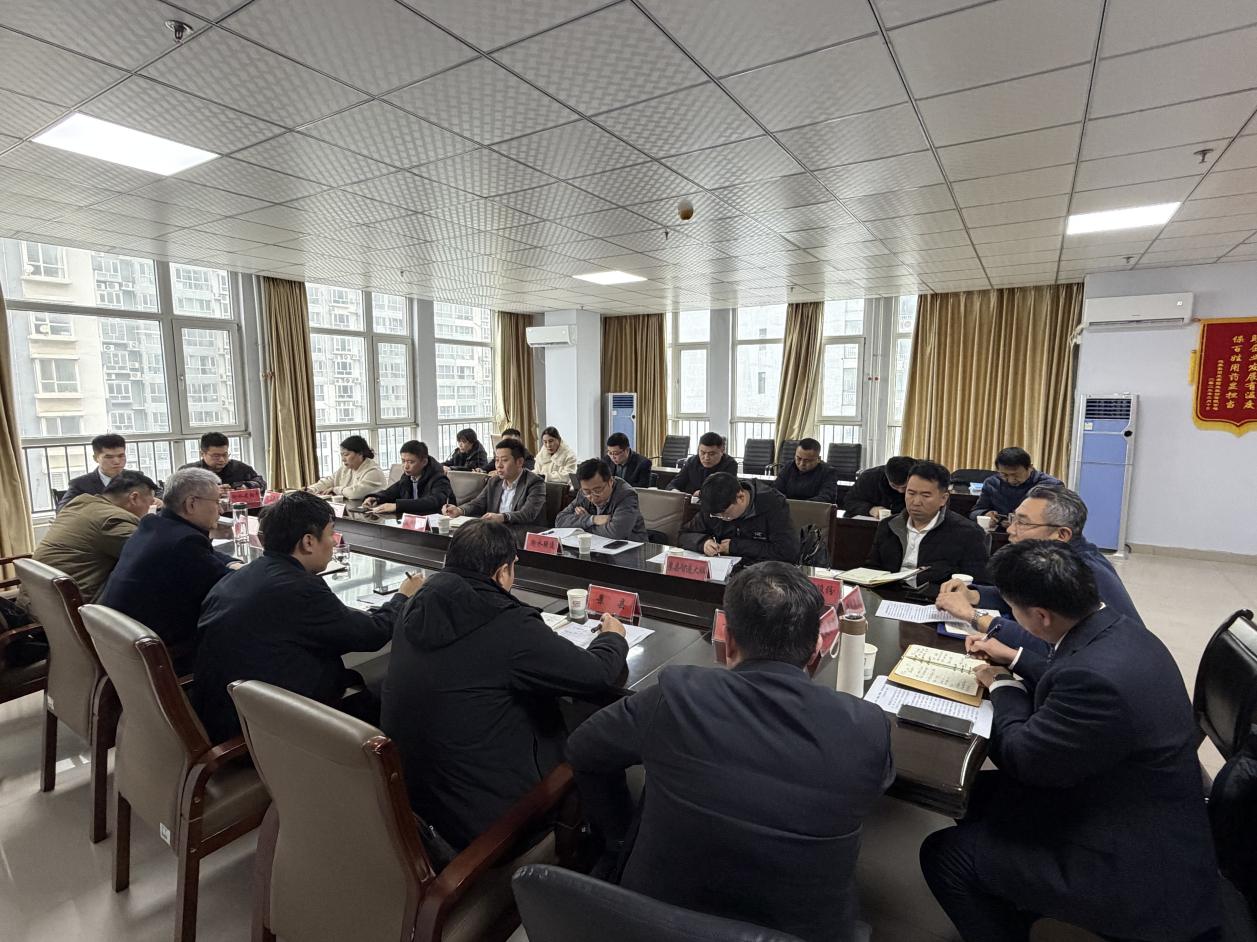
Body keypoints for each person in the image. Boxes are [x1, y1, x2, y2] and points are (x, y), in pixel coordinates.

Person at [567, 562, 894, 942]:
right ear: (817, 649)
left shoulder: (676, 696)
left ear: (729, 641)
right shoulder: (866, 728)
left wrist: (621, 835)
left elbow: (583, 749)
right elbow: (870, 790)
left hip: (656, 923)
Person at [920, 541, 1220, 942]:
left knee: (946, 855)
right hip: (1128, 801)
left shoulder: (1095, 681)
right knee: (981, 794)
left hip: (1133, 865)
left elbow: (1022, 757)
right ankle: (1012, 893)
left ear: (1042, 616)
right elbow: (1063, 669)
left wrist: (1003, 684)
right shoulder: (1118, 629)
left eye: (1013, 610)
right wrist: (1013, 658)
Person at [380, 520, 628, 850]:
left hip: (415, 804)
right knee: (597, 746)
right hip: (488, 828)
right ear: (501, 573)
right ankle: (608, 854)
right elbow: (596, 674)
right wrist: (613, 637)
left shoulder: (414, 604)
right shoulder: (507, 622)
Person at [192, 491, 425, 744]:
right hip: (270, 729)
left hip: (222, 712)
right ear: (308, 542)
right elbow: (371, 635)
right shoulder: (300, 588)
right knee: (399, 693)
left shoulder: (241, 575)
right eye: (330, 534)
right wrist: (403, 597)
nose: (334, 542)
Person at [936, 485, 1143, 684]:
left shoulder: (1079, 573)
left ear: (1062, 535)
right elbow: (1027, 597)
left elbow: (1050, 643)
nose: (1011, 530)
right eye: (1013, 519)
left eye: (1023, 523)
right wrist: (974, 595)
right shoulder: (1059, 561)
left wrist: (975, 616)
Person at [98, 467, 241, 653]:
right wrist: (246, 570)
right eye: (216, 502)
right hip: (158, 650)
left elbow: (207, 553)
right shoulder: (185, 542)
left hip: (118, 638)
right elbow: (230, 586)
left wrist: (231, 562)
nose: (220, 509)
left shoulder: (154, 525)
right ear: (191, 503)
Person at [33, 470, 158, 603]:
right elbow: (153, 556)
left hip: (38, 597)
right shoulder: (113, 520)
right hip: (71, 605)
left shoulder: (80, 502)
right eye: (150, 504)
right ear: (134, 498)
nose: (149, 510)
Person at [864, 460, 987, 591]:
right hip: (888, 595)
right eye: (911, 493)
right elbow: (872, 569)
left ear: (943, 499)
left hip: (934, 599)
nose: (916, 502)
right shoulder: (888, 525)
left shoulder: (968, 532)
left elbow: (976, 584)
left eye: (925, 495)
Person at [680, 472, 800, 564]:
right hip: (721, 568)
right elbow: (684, 535)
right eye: (717, 515)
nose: (722, 518)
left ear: (741, 497)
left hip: (760, 572)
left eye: (725, 514)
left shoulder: (773, 505)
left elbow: (787, 552)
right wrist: (703, 543)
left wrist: (735, 546)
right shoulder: (712, 505)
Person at [442, 439, 545, 525]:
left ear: (519, 462)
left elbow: (528, 514)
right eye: (496, 460)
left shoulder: (535, 482)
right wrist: (459, 510)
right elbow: (478, 503)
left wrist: (502, 517)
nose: (499, 465)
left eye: (504, 460)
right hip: (496, 533)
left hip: (523, 533)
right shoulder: (494, 481)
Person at [555, 459, 648, 542]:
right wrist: (592, 519)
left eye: (597, 490)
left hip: (631, 548)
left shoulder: (626, 495)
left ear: (610, 482)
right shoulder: (583, 493)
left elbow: (616, 533)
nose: (592, 496)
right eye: (587, 492)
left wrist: (580, 528)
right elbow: (560, 521)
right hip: (596, 546)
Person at [969, 447, 1061, 523]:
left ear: (1030, 467)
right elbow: (974, 512)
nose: (1011, 480)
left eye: (1016, 475)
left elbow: (1057, 518)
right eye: (1004, 475)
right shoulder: (992, 483)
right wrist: (985, 514)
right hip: (999, 534)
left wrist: (1022, 521)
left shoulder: (1051, 485)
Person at [361, 440, 453, 516]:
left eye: (411, 462)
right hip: (413, 522)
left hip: (436, 525)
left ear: (424, 462)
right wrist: (376, 498)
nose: (405, 466)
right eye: (403, 461)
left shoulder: (439, 478)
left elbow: (432, 502)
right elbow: (391, 492)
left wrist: (397, 506)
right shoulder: (407, 477)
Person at [56, 433, 128, 511]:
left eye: (121, 456)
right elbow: (63, 510)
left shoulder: (136, 479)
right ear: (96, 458)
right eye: (109, 457)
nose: (117, 461)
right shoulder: (80, 484)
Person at [180, 431, 266, 493]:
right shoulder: (188, 472)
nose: (222, 459)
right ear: (202, 454)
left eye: (225, 454)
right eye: (216, 456)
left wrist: (247, 486)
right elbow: (177, 495)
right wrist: (210, 492)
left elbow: (261, 482)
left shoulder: (239, 468)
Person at [307, 435, 388, 499]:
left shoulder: (373, 471)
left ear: (360, 453)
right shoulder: (345, 468)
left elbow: (355, 493)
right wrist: (311, 489)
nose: (343, 459)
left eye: (346, 455)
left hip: (370, 513)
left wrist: (335, 489)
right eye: (341, 455)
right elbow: (328, 481)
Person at [667, 432, 739, 496]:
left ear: (722, 451)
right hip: (691, 504)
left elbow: (726, 491)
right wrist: (676, 492)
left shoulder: (730, 464)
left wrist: (701, 493)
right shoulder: (692, 461)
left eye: (711, 454)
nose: (706, 457)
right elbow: (672, 485)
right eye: (703, 453)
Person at [841, 455, 914, 518]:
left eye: (905, 487)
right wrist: (871, 509)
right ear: (887, 476)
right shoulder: (869, 477)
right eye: (894, 486)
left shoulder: (918, 477)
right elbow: (848, 502)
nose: (901, 491)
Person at [771, 438, 839, 502]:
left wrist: (802, 505)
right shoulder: (788, 467)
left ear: (818, 459)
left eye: (807, 460)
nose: (802, 464)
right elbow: (776, 490)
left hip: (814, 508)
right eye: (798, 458)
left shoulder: (828, 472)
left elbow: (826, 497)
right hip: (787, 506)